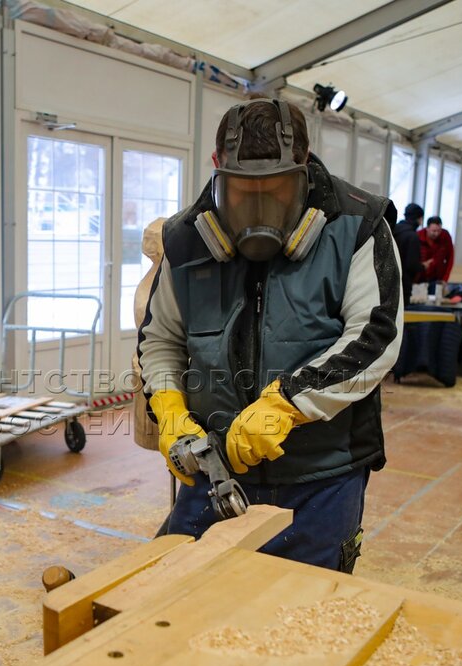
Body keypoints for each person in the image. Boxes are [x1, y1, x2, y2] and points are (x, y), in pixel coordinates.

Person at [136, 98, 403, 574]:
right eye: (242, 190)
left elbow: (375, 337)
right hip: (213, 468)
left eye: (277, 189)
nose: (259, 206)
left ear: (304, 166)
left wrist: (287, 406)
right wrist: (170, 410)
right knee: (181, 595)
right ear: (217, 166)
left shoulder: (357, 226)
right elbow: (161, 341)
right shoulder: (186, 239)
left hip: (322, 476)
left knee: (303, 605)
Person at [394, 203, 423, 304]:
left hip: (387, 281)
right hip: (404, 284)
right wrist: (422, 267)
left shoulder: (392, 230)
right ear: (419, 219)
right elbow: (412, 265)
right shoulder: (412, 236)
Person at [418, 215, 455, 285]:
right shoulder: (418, 236)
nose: (436, 233)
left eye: (439, 230)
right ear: (427, 228)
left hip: (438, 278)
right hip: (420, 278)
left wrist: (445, 279)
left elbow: (450, 258)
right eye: (434, 231)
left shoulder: (445, 236)